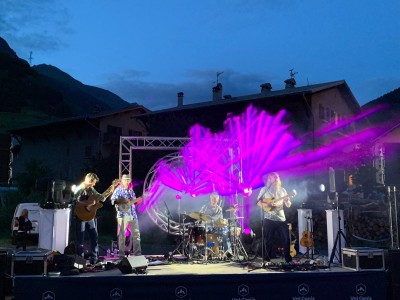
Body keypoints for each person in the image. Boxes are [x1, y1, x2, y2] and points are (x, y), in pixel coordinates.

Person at [256, 172, 293, 263]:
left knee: (286, 238)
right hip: (269, 218)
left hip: (281, 218)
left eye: (277, 177)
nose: (276, 179)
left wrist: (287, 201)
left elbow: (288, 205)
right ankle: (267, 259)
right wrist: (267, 204)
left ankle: (288, 259)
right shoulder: (264, 190)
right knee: (268, 239)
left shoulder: (282, 190)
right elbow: (258, 202)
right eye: (274, 178)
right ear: (270, 179)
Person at [73, 173, 102, 265]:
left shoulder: (91, 189)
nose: (94, 185)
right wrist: (87, 204)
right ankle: (80, 261)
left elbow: (99, 196)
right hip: (80, 216)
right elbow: (75, 202)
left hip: (90, 216)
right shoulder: (79, 189)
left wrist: (108, 192)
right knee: (80, 239)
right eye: (93, 183)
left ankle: (94, 258)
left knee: (94, 236)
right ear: (89, 181)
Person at [111, 174, 142, 257]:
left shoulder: (131, 191)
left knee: (136, 235)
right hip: (122, 215)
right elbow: (112, 200)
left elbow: (133, 202)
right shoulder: (118, 190)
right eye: (125, 180)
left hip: (133, 215)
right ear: (122, 181)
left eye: (128, 180)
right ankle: (121, 254)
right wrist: (121, 202)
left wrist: (141, 199)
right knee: (122, 235)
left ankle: (138, 254)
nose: (127, 181)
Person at [200, 192, 232, 256]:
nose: (214, 200)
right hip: (207, 227)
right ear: (210, 198)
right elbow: (200, 217)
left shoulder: (219, 209)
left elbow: (221, 221)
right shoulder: (205, 207)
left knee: (225, 235)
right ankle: (209, 252)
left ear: (218, 199)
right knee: (210, 236)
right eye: (213, 199)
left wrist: (222, 223)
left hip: (216, 228)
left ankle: (229, 254)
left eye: (215, 199)